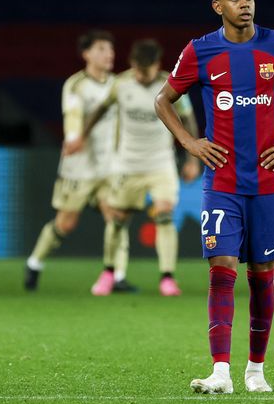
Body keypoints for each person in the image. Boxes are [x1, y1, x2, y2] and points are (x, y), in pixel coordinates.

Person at [154, 0, 274, 394]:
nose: (245, 3)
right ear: (218, 6)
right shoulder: (200, 51)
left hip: (269, 183)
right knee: (222, 270)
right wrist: (189, 142)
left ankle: (256, 370)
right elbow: (163, 100)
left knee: (263, 274)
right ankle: (220, 371)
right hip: (222, 183)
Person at [67, 39, 201, 296]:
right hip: (126, 164)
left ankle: (167, 278)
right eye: (139, 70)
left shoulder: (170, 86)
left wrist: (192, 158)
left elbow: (188, 120)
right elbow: (99, 110)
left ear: (157, 65)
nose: (142, 76)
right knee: (117, 220)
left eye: (147, 71)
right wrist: (82, 135)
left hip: (160, 163)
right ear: (132, 65)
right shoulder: (121, 84)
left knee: (164, 215)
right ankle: (108, 272)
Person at [24, 29, 120, 292]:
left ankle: (115, 275)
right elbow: (73, 115)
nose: (108, 54)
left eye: (110, 49)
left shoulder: (118, 85)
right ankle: (34, 262)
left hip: (110, 166)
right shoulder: (76, 85)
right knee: (66, 223)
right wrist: (75, 137)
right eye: (101, 49)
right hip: (80, 166)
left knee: (116, 217)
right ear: (86, 53)